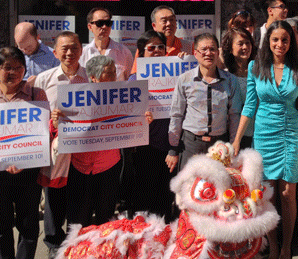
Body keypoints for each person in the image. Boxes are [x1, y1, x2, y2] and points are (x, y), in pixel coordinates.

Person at [232, 20, 298, 259]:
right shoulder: (256, 66)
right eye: (275, 39)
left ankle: (287, 247)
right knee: (269, 194)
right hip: (264, 135)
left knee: (288, 194)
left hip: (291, 137)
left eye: (285, 40)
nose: (280, 44)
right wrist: (236, 140)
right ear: (269, 41)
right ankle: (272, 245)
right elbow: (250, 106)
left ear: (291, 43)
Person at [0, 46, 48, 259]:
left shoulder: (36, 95)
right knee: (0, 226)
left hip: (27, 174)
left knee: (28, 226)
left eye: (18, 67)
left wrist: (25, 158)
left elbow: (42, 135)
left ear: (25, 70)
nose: (13, 73)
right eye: (7, 68)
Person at [50, 56, 128, 228]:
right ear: (94, 77)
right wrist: (57, 122)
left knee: (106, 219)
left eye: (115, 72)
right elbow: (62, 128)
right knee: (78, 220)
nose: (114, 76)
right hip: (80, 166)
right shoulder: (76, 96)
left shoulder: (123, 96)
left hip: (109, 165)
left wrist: (143, 119)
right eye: (109, 73)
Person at [34, 31, 88, 259]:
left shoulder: (89, 78)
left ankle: (76, 243)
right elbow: (33, 118)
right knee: (54, 200)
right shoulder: (43, 80)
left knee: (79, 199)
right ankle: (54, 244)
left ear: (81, 50)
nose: (69, 53)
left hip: (83, 152)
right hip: (56, 152)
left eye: (74, 48)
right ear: (55, 52)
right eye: (64, 48)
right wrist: (51, 122)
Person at [166, 33, 242, 172]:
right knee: (189, 189)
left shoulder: (231, 81)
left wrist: (232, 146)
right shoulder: (185, 79)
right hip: (190, 144)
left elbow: (234, 116)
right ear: (195, 53)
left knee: (218, 189)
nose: (208, 53)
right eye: (204, 49)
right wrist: (173, 149)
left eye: (212, 49)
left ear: (218, 52)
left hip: (220, 145)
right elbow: (177, 115)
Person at [127, 30, 174, 221]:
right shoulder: (134, 79)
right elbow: (126, 116)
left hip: (171, 145)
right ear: (142, 53)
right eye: (151, 47)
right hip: (147, 146)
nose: (156, 51)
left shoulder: (179, 74)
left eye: (160, 47)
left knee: (166, 195)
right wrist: (139, 117)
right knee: (145, 194)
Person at [0, 22, 60, 87]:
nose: (24, 51)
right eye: (21, 47)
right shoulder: (9, 57)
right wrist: (16, 85)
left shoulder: (53, 56)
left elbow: (60, 83)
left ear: (37, 38)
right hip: (16, 98)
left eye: (29, 47)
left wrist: (40, 81)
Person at [221, 27, 257, 149]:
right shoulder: (225, 76)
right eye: (240, 43)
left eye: (248, 43)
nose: (245, 47)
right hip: (232, 136)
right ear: (230, 48)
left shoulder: (260, 73)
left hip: (257, 134)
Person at [79, 7, 133, 80]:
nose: (104, 27)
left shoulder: (124, 52)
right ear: (90, 26)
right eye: (99, 23)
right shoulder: (83, 54)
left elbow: (130, 80)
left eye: (108, 23)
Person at [130, 5, 185, 75]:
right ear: (154, 26)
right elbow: (136, 77)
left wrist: (187, 60)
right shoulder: (145, 49)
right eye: (164, 21)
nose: (169, 24)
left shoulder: (189, 47)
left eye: (172, 20)